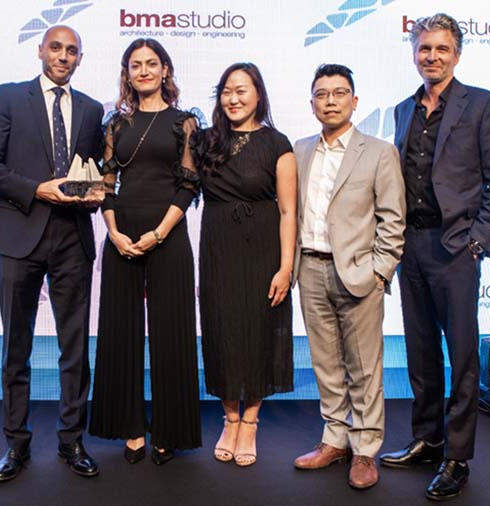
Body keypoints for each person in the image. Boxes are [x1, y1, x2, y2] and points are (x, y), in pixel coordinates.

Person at [377, 13, 490, 502]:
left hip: (455, 247)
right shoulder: (403, 109)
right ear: (414, 53)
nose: (431, 56)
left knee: (461, 356)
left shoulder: (484, 105)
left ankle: (457, 457)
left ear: (457, 54)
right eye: (424, 48)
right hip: (410, 245)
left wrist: (478, 242)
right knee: (420, 352)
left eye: (441, 49)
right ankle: (428, 439)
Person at [0, 25, 104, 481]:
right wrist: (36, 190)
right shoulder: (9, 97)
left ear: (80, 58)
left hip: (73, 239)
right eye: (56, 48)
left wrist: (95, 194)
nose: (63, 56)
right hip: (19, 236)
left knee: (75, 348)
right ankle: (16, 444)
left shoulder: (91, 109)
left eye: (72, 50)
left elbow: (91, 173)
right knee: (16, 347)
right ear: (40, 51)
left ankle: (72, 441)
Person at [290, 64, 405, 490]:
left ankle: (365, 449)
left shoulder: (378, 152)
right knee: (325, 363)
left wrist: (380, 272)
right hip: (310, 269)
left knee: (364, 367)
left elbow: (393, 218)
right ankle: (335, 439)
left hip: (358, 274)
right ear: (312, 104)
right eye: (322, 94)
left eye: (339, 93)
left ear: (354, 101)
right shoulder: (300, 150)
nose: (330, 101)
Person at [89, 38, 201, 466]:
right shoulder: (116, 125)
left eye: (152, 63)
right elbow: (106, 184)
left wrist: (158, 233)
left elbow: (188, 185)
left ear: (165, 69)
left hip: (168, 235)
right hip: (121, 236)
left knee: (172, 332)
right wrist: (114, 233)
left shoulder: (185, 123)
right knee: (120, 333)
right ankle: (131, 427)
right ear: (127, 73)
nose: (144, 71)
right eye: (135, 65)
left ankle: (169, 431)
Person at [196, 62, 297, 467]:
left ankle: (251, 422)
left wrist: (285, 268)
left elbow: (288, 211)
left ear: (258, 94)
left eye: (242, 90)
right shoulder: (205, 141)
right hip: (218, 248)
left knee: (258, 332)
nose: (233, 98)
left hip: (263, 250)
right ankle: (230, 419)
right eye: (226, 91)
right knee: (220, 330)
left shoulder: (277, 143)